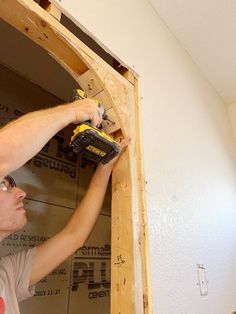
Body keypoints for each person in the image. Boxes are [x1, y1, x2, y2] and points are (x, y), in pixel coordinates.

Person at [0, 98, 129, 313]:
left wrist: (105, 168)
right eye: (4, 185)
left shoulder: (7, 275)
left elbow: (74, 236)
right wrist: (72, 111)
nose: (21, 193)